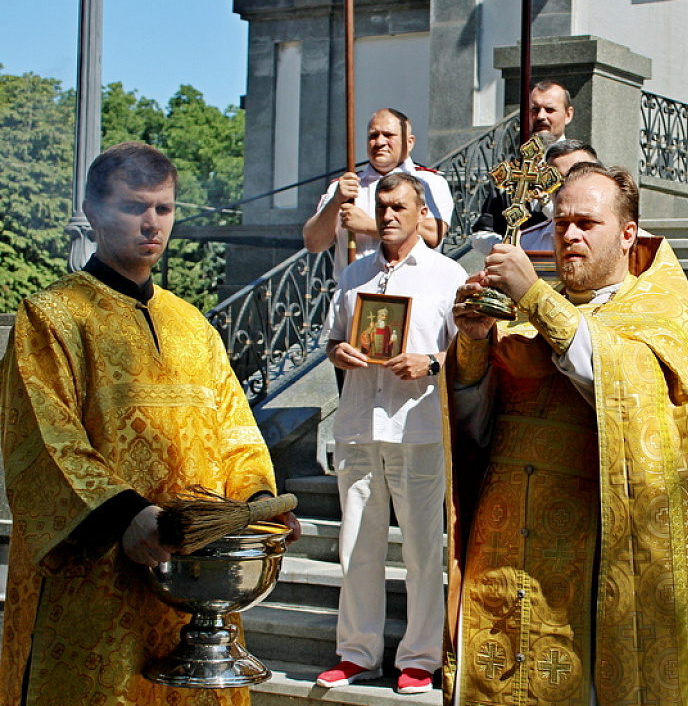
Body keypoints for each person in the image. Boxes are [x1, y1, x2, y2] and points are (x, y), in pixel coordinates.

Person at [0, 142, 301, 705]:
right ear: (92, 211)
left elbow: (235, 429)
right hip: (99, 583)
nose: (151, 224)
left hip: (197, 580)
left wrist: (257, 508)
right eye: (134, 207)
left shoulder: (191, 324)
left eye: (163, 209)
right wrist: (126, 516)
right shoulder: (52, 316)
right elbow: (45, 440)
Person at [444, 163, 688, 705]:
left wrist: (537, 298)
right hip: (506, 542)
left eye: (588, 222)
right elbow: (477, 427)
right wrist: (473, 345)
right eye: (562, 223)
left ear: (628, 233)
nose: (570, 236)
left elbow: (624, 388)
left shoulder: (656, 309)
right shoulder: (525, 308)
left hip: (599, 549)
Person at [315, 173, 467, 694]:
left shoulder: (447, 275)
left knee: (423, 549)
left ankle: (421, 657)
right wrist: (341, 352)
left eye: (399, 206)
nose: (389, 216)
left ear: (421, 210)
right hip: (359, 424)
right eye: (382, 206)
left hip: (418, 426)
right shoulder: (355, 272)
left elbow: (468, 354)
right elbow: (334, 340)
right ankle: (357, 652)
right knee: (357, 543)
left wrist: (429, 363)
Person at [303, 108, 454, 278]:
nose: (380, 142)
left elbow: (432, 236)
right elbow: (314, 243)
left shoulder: (429, 183)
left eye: (389, 135)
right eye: (373, 136)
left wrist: (367, 225)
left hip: (411, 289)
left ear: (409, 142)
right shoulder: (347, 186)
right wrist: (335, 201)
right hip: (355, 290)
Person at [469, 138, 598, 256]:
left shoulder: (614, 236)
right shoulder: (526, 243)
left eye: (576, 177)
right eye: (558, 181)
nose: (567, 188)